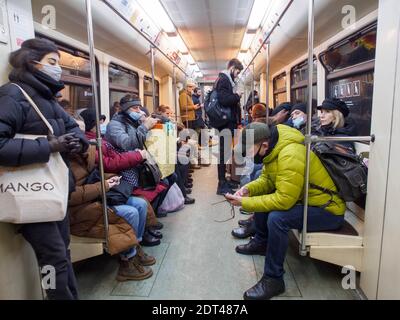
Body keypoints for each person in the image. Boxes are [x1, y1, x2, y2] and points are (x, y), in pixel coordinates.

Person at [0, 38, 89, 300]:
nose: (58, 69)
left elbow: (73, 128)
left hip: (54, 188)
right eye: (52, 62)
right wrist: (49, 147)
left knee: (62, 252)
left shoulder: (47, 99)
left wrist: (76, 142)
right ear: (32, 61)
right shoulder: (12, 95)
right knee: (53, 259)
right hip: (30, 190)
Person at [225, 122, 346, 300]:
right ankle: (262, 242)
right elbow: (268, 179)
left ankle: (274, 279)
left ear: (264, 144)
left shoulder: (290, 154)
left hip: (327, 210)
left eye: (249, 149)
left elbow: (284, 200)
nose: (247, 155)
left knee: (277, 218)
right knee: (266, 198)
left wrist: (246, 202)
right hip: (308, 203)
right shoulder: (274, 149)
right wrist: (248, 190)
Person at [215, 58, 244, 195]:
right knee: (222, 154)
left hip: (227, 123)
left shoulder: (226, 80)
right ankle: (221, 185)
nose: (237, 75)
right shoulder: (224, 80)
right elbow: (224, 100)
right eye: (237, 72)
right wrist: (237, 95)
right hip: (225, 124)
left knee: (225, 153)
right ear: (232, 68)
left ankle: (223, 181)